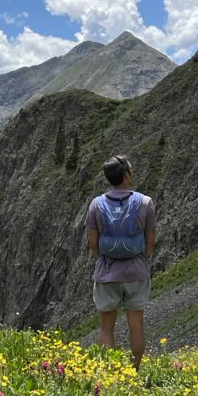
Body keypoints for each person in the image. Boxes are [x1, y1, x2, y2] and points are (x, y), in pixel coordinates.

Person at [84, 155, 157, 370]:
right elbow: (150, 239)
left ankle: (110, 373)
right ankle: (134, 369)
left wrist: (104, 258)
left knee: (106, 328)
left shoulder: (96, 204)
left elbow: (92, 241)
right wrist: (143, 257)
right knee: (136, 325)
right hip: (137, 271)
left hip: (107, 271)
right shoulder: (145, 202)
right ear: (126, 175)